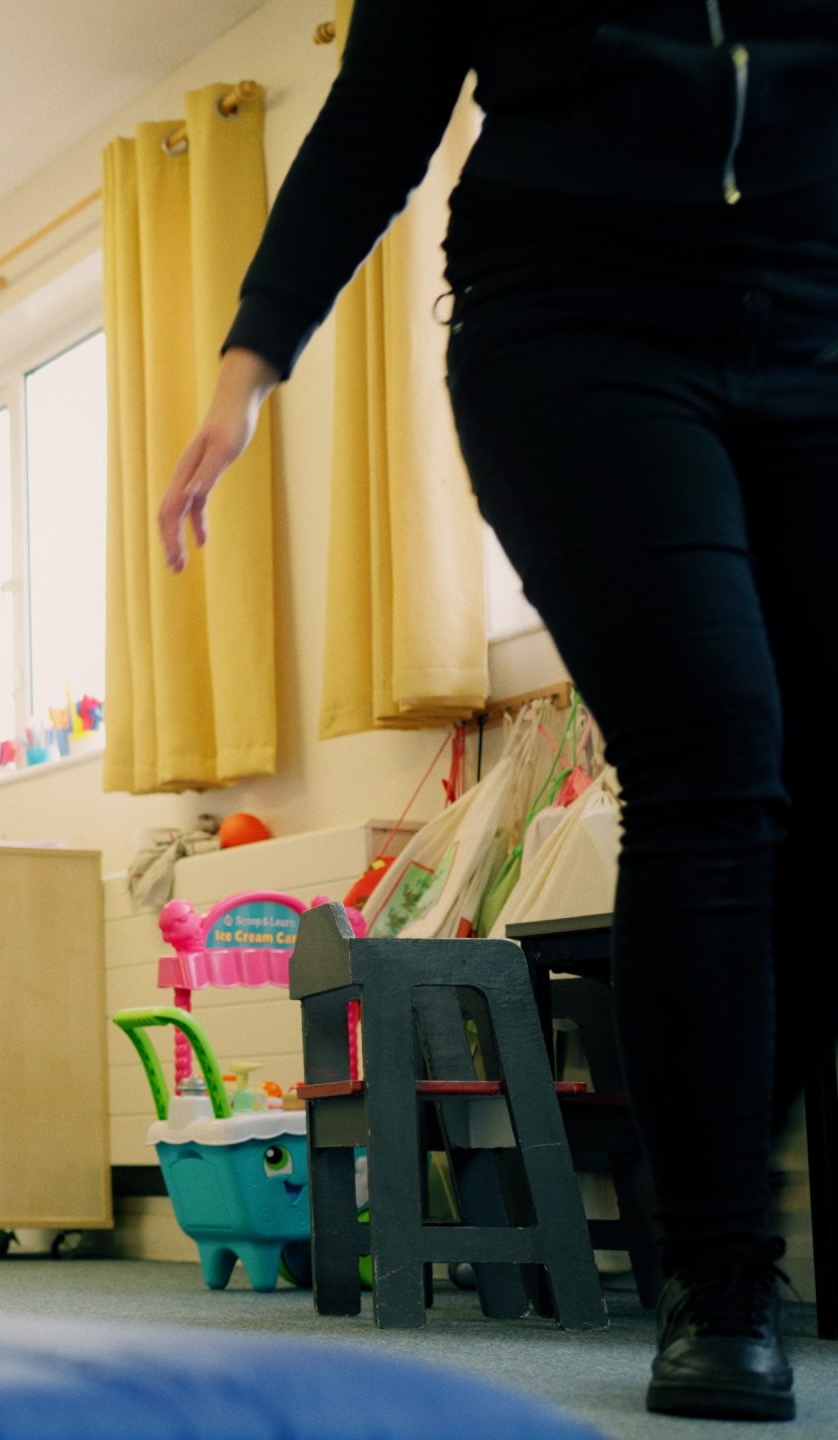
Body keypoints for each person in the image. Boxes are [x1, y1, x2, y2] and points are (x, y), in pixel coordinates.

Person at [157, 4, 837, 1422]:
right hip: (576, 325)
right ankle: (721, 1280)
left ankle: (725, 1170)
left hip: (817, 301)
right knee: (710, 760)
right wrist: (252, 361)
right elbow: (376, 119)